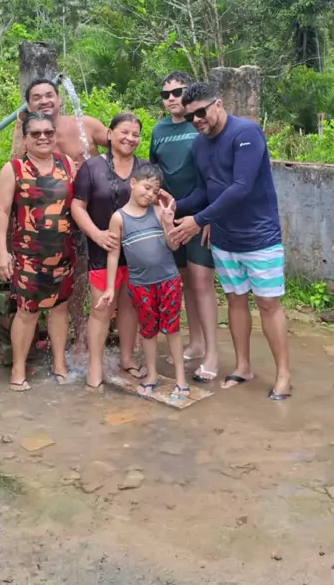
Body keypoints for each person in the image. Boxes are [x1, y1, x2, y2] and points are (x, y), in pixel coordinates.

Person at [170, 82, 291, 401]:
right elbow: (203, 191)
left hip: (259, 236)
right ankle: (242, 366)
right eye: (190, 116)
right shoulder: (199, 145)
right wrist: (174, 206)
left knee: (268, 304)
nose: (196, 120)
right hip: (225, 239)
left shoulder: (246, 133)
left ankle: (283, 374)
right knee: (236, 300)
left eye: (201, 112)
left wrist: (198, 220)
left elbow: (241, 187)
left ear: (218, 104)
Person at [11, 78, 109, 355]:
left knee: (97, 276)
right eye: (37, 97)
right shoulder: (31, 134)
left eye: (49, 95)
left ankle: (97, 334)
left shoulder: (85, 124)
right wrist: (19, 127)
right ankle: (75, 338)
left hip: (93, 214)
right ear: (29, 104)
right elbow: (16, 169)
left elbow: (120, 142)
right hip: (54, 225)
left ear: (60, 98)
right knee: (69, 284)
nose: (44, 101)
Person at [0, 111, 76, 392]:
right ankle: (18, 369)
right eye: (36, 133)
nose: (43, 137)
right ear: (26, 138)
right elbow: (1, 211)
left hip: (64, 251)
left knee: (60, 307)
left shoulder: (66, 164)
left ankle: (59, 363)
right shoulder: (14, 169)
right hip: (29, 255)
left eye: (48, 132)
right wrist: (1, 252)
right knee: (27, 311)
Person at [150, 71, 219, 382]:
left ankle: (212, 353)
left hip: (200, 216)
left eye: (177, 92)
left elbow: (216, 173)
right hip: (173, 217)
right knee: (185, 282)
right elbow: (155, 174)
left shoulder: (200, 125)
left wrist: (210, 216)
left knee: (202, 282)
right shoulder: (159, 130)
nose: (171, 98)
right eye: (165, 94)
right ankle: (196, 342)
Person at [100, 164, 189, 400]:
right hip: (140, 285)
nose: (150, 194)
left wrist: (169, 223)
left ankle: (181, 378)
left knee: (172, 329)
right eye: (146, 187)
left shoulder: (159, 213)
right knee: (148, 331)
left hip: (168, 281)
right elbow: (113, 254)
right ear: (133, 183)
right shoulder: (118, 218)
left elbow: (173, 246)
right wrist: (109, 287)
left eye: (155, 191)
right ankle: (151, 374)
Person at [71, 113, 147, 390]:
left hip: (137, 250)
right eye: (124, 132)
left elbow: (156, 201)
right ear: (110, 134)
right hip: (103, 249)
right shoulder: (91, 167)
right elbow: (78, 206)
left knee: (130, 306)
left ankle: (127, 357)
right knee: (102, 307)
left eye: (135, 134)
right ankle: (95, 365)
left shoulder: (145, 168)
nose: (130, 138)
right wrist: (97, 234)